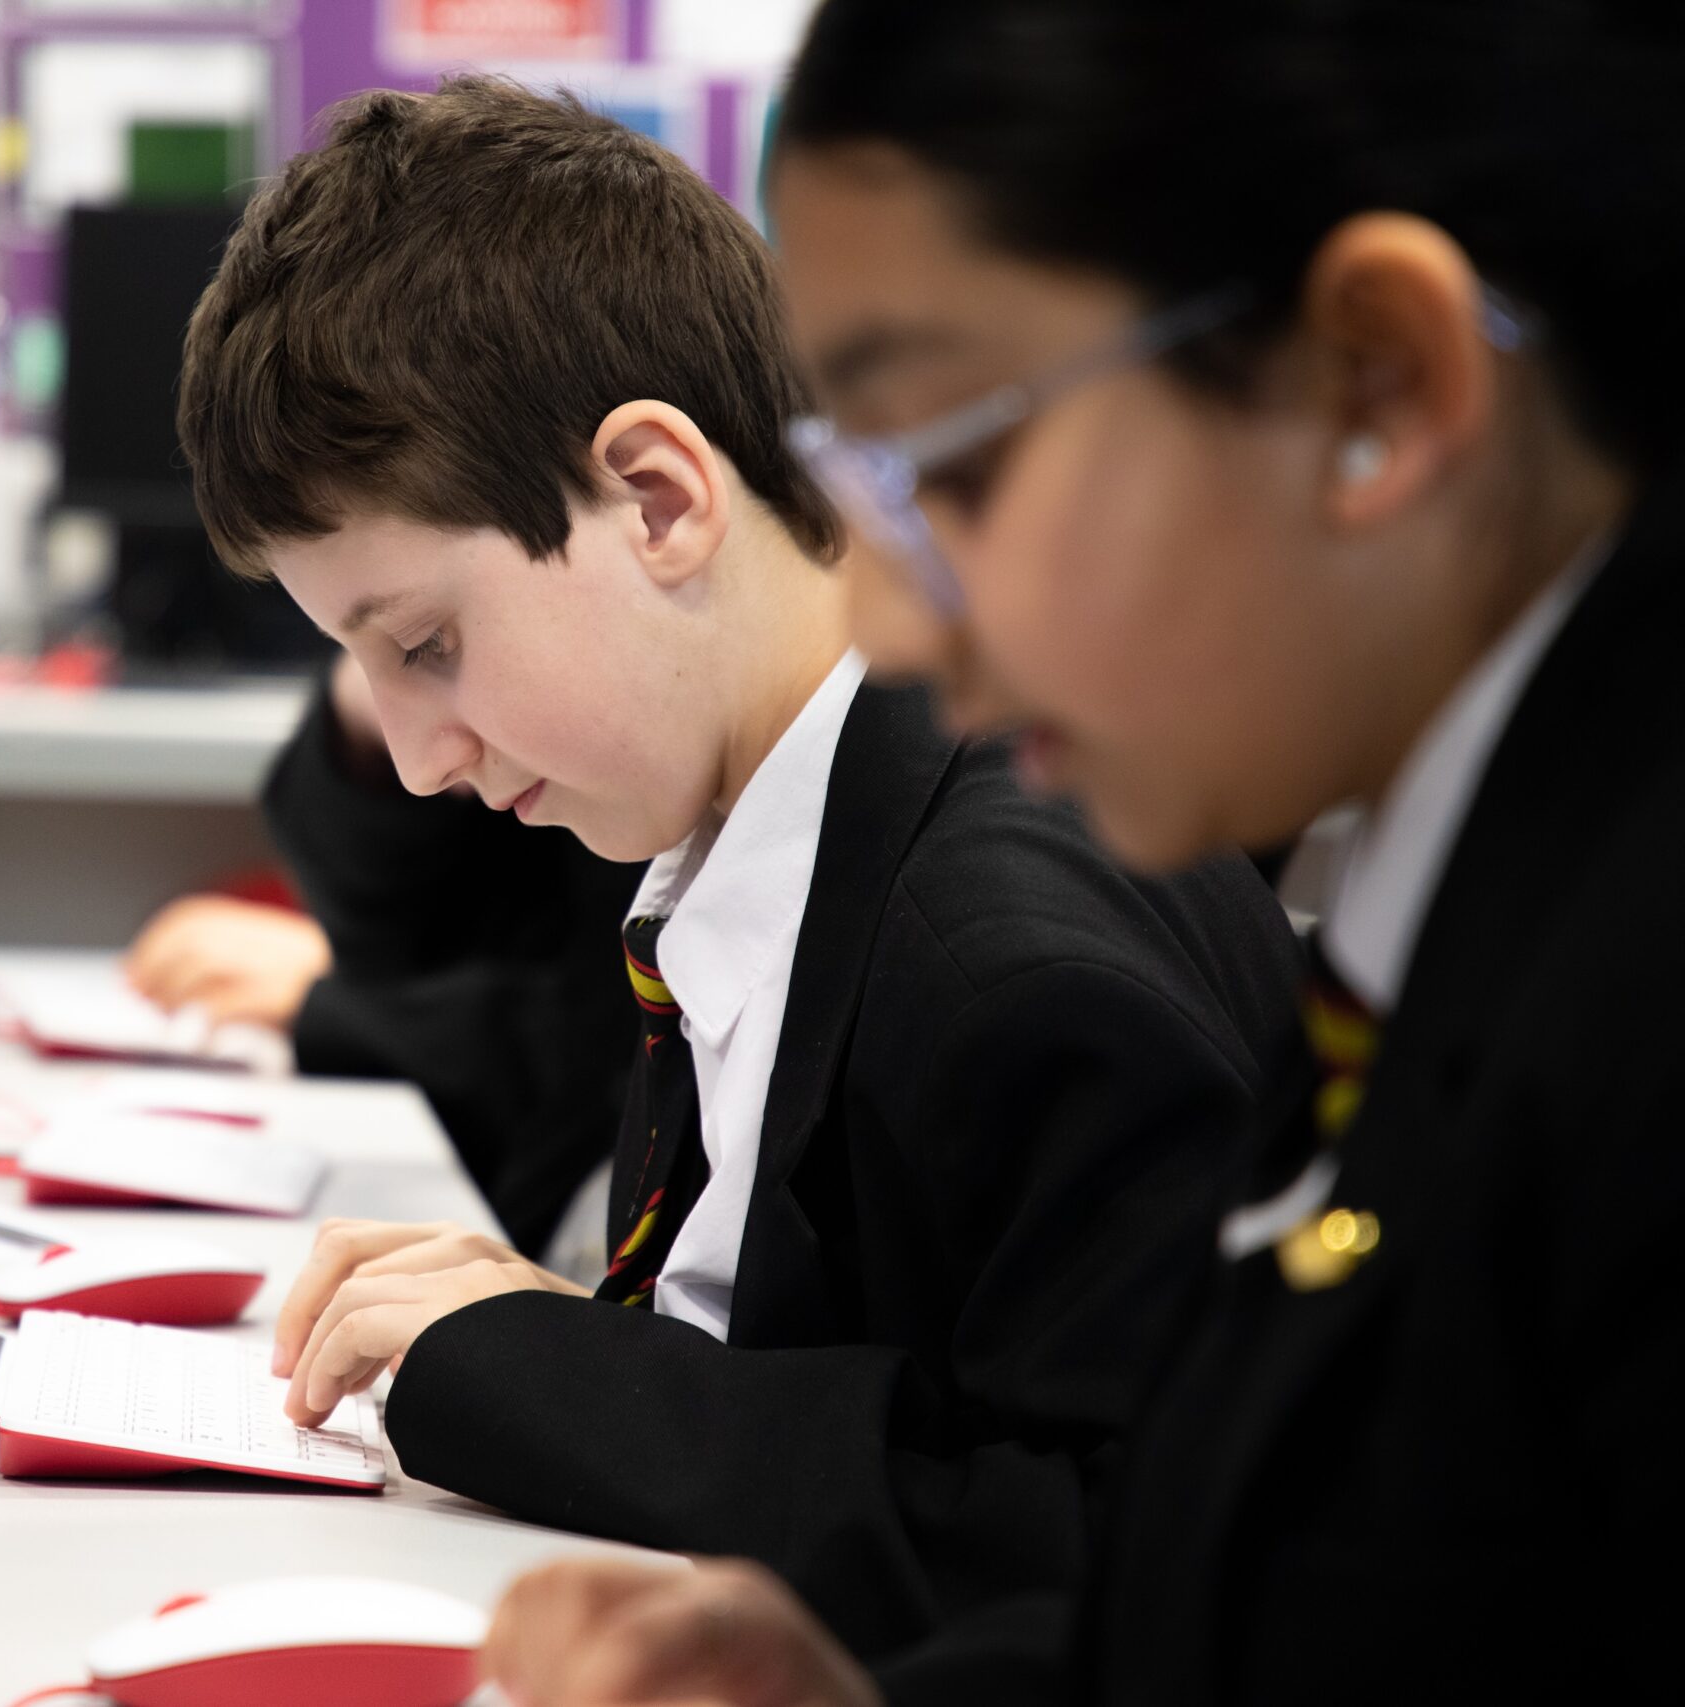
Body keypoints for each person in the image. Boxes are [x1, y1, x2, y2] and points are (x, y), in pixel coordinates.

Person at [484, 1, 1685, 1702]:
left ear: (1379, 380)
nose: (889, 618)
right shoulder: (1469, 891)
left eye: (954, 467)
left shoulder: (1632, 1018)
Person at [176, 73, 1299, 1680]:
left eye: (426, 645)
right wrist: (556, 1326)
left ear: (658, 497)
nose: (419, 755)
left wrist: (583, 1388)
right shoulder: (750, 817)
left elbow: (1112, 1542)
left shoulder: (1009, 959)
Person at [124, 650, 644, 1256]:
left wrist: (334, 1010)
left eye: (428, 641)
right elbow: (404, 935)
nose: (421, 772)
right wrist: (358, 720)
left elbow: (617, 1053)